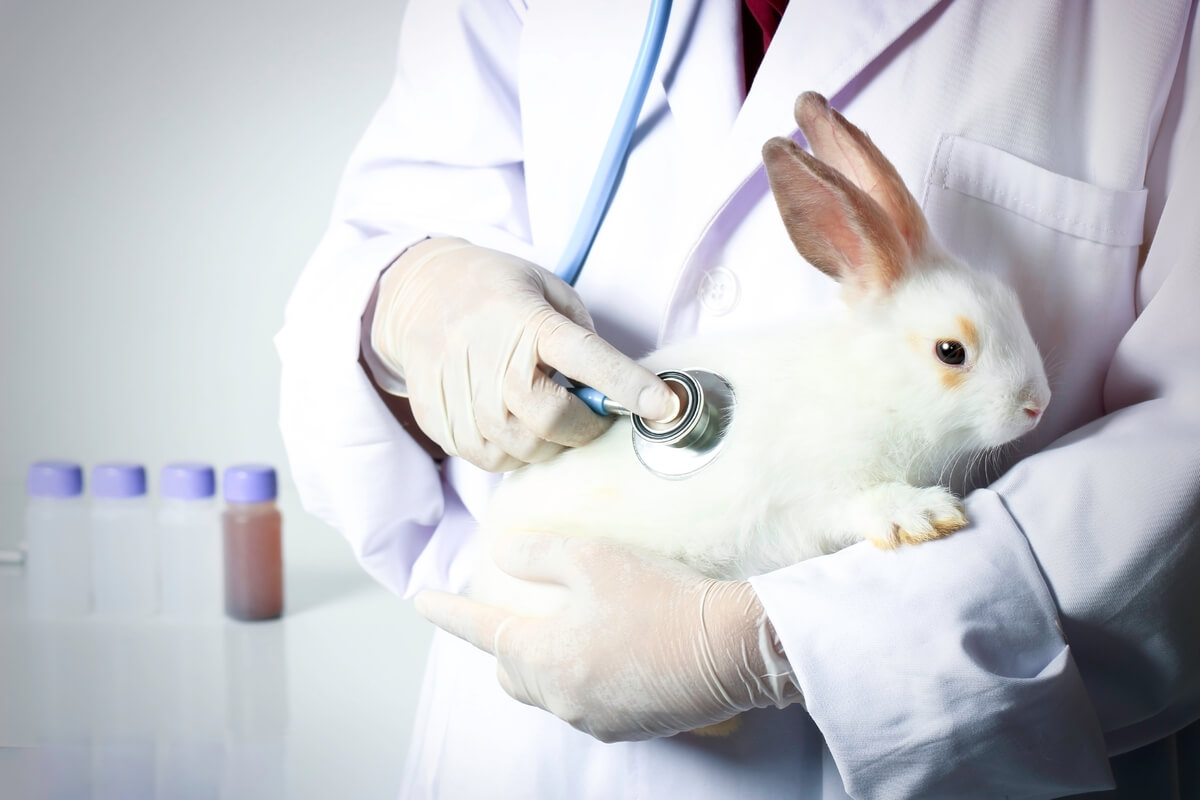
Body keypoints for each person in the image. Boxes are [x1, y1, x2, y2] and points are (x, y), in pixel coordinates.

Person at [276, 1, 1200, 797]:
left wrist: (769, 643)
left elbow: (1180, 461)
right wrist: (413, 293)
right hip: (522, 728)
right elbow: (402, 203)